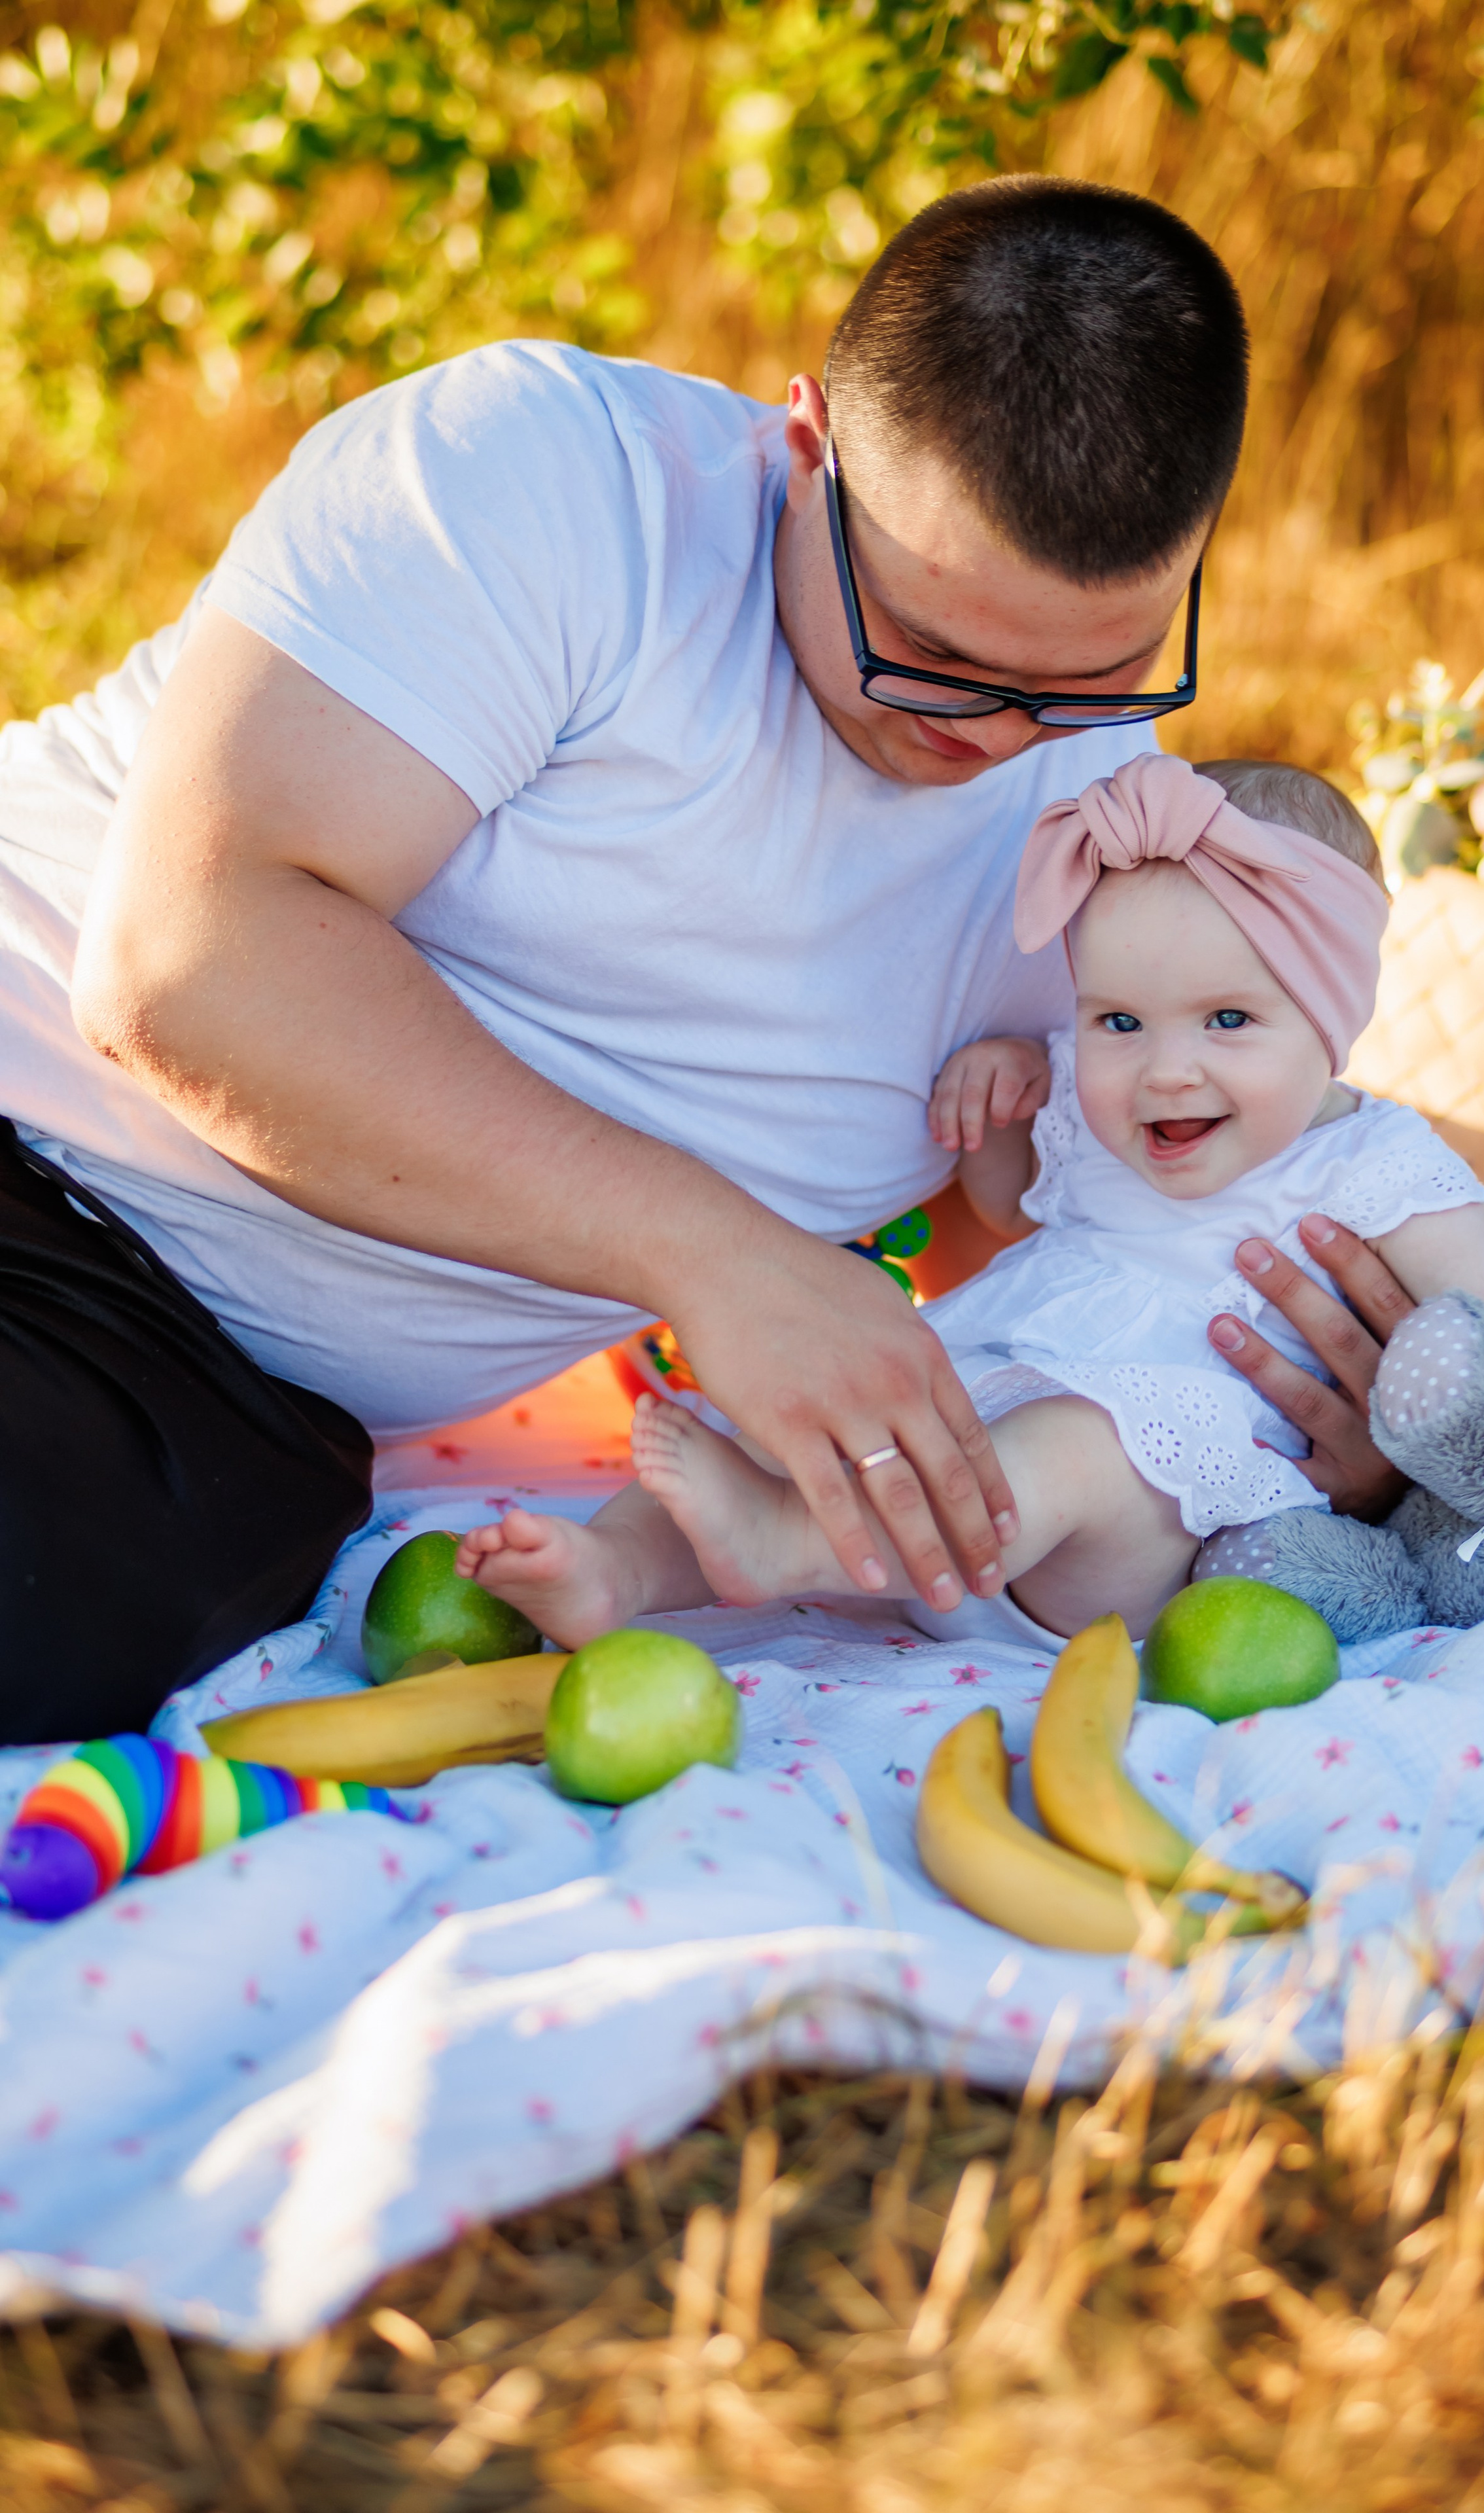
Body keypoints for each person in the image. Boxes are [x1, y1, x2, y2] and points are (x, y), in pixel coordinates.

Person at [0, 177, 1410, 1743]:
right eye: (926, 658)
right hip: (27, 1118)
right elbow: (187, 969)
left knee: (54, 1622)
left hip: (217, 1396)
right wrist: (712, 1251)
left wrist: (1276, 1426)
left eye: (1088, 677)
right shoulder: (541, 484)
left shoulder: (1106, 853)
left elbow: (1026, 1264)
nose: (992, 740)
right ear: (800, 449)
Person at [455, 754, 1484, 1643]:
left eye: (1229, 1020)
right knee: (795, 1406)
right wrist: (1000, 1107)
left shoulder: (1378, 1171)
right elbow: (1021, 1211)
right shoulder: (1101, 1116)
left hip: (1145, 1522)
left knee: (1084, 1451)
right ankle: (616, 1570)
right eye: (1118, 1021)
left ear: (1334, 1020)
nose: (1166, 1067)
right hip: (987, 1398)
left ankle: (785, 1544)